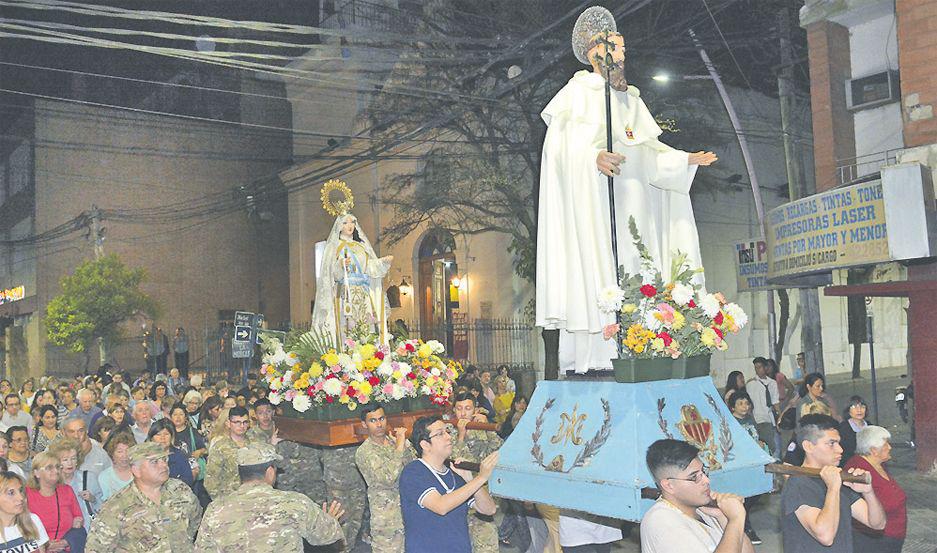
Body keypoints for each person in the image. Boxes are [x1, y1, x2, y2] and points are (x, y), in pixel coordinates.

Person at [535, 6, 717, 373]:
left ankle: (644, 344)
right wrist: (592, 157)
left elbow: (648, 155)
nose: (623, 55)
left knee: (640, 264)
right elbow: (559, 151)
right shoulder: (577, 94)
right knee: (603, 268)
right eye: (617, 48)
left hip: (637, 205)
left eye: (623, 48)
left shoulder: (631, 99)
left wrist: (683, 160)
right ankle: (600, 356)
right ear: (595, 53)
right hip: (598, 204)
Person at [195, 442, 345, 551]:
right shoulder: (295, 502)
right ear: (270, 472)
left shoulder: (216, 509)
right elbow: (328, 535)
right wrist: (330, 520)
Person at [780, 414, 886, 552]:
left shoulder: (837, 478)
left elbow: (877, 524)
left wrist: (868, 493)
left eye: (838, 443)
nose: (840, 449)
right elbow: (825, 536)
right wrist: (833, 488)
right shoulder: (798, 485)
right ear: (808, 446)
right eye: (831, 443)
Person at [398, 415, 498, 553]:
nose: (448, 437)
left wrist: (470, 479)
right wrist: (480, 478)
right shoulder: (414, 472)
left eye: (447, 432)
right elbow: (441, 506)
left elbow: (489, 509)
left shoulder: (454, 474)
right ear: (425, 445)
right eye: (440, 434)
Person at [85, 442, 201, 553]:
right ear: (136, 471)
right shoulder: (116, 506)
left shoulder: (180, 490)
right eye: (154, 462)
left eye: (164, 459)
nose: (163, 465)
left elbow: (195, 522)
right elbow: (95, 548)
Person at [640, 439, 753, 553]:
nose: (706, 480)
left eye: (703, 472)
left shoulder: (700, 508)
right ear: (669, 485)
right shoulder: (662, 522)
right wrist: (736, 519)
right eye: (694, 477)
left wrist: (723, 517)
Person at [311, 210, 393, 346]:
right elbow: (329, 273)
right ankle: (346, 353)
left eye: (352, 222)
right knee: (346, 325)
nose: (350, 225)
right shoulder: (334, 247)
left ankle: (367, 352)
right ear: (339, 226)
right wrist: (340, 265)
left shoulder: (360, 246)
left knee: (365, 324)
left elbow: (368, 267)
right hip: (345, 292)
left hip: (362, 293)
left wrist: (382, 262)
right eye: (345, 223)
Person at [354, 404, 415, 553]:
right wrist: (399, 447)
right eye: (373, 420)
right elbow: (388, 478)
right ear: (364, 424)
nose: (379, 424)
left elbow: (414, 466)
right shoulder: (365, 452)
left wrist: (403, 446)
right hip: (387, 519)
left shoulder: (395, 441)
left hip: (409, 510)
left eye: (381, 418)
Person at [451, 392, 503, 553]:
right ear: (454, 410)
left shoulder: (482, 429)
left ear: (475, 410)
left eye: (467, 408)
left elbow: (498, 452)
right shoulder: (448, 432)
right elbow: (455, 461)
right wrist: (461, 436)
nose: (463, 413)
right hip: (458, 497)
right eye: (459, 408)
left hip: (482, 496)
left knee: (486, 545)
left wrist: (489, 429)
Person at [843, 426, 907, 553]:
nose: (890, 447)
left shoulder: (878, 465)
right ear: (873, 450)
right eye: (886, 444)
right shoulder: (858, 471)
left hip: (892, 537)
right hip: (874, 540)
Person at [25, 451, 84, 553]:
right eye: (49, 468)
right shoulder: (25, 494)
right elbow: (21, 529)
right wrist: (45, 546)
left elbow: (78, 521)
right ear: (36, 473)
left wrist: (64, 543)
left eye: (57, 467)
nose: (56, 471)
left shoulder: (67, 490)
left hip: (66, 548)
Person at [49, 438, 102, 534]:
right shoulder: (51, 484)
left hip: (89, 531)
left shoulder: (89, 477)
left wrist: (92, 499)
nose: (70, 463)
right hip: (63, 533)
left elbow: (102, 506)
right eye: (65, 460)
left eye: (73, 458)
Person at [204, 406, 251, 500]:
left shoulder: (255, 444)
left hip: (253, 498)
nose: (242, 426)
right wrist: (220, 502)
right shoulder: (220, 447)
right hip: (229, 499)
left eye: (245, 422)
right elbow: (211, 479)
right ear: (228, 423)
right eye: (237, 422)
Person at [0, 471, 48, 553]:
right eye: (11, 493)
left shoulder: (33, 520)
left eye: (20, 491)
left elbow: (42, 549)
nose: (21, 497)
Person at [744, 357, 780, 456]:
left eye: (759, 367)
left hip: (767, 418)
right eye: (756, 367)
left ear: (765, 367)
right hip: (755, 419)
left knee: (770, 446)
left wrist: (779, 417)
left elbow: (775, 402)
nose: (757, 370)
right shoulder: (750, 384)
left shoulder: (772, 383)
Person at [146, 419, 194, 488]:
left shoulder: (178, 454)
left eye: (166, 434)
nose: (162, 438)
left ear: (172, 437)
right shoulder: (145, 457)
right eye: (158, 434)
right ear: (151, 438)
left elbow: (188, 479)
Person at [96, 432, 135, 501]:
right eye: (120, 452)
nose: (124, 455)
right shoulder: (105, 476)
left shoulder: (140, 472)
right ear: (112, 454)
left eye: (127, 451)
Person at [837, 396, 868, 466]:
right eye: (854, 407)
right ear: (848, 410)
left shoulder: (871, 426)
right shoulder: (842, 428)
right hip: (849, 465)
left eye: (862, 407)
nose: (859, 410)